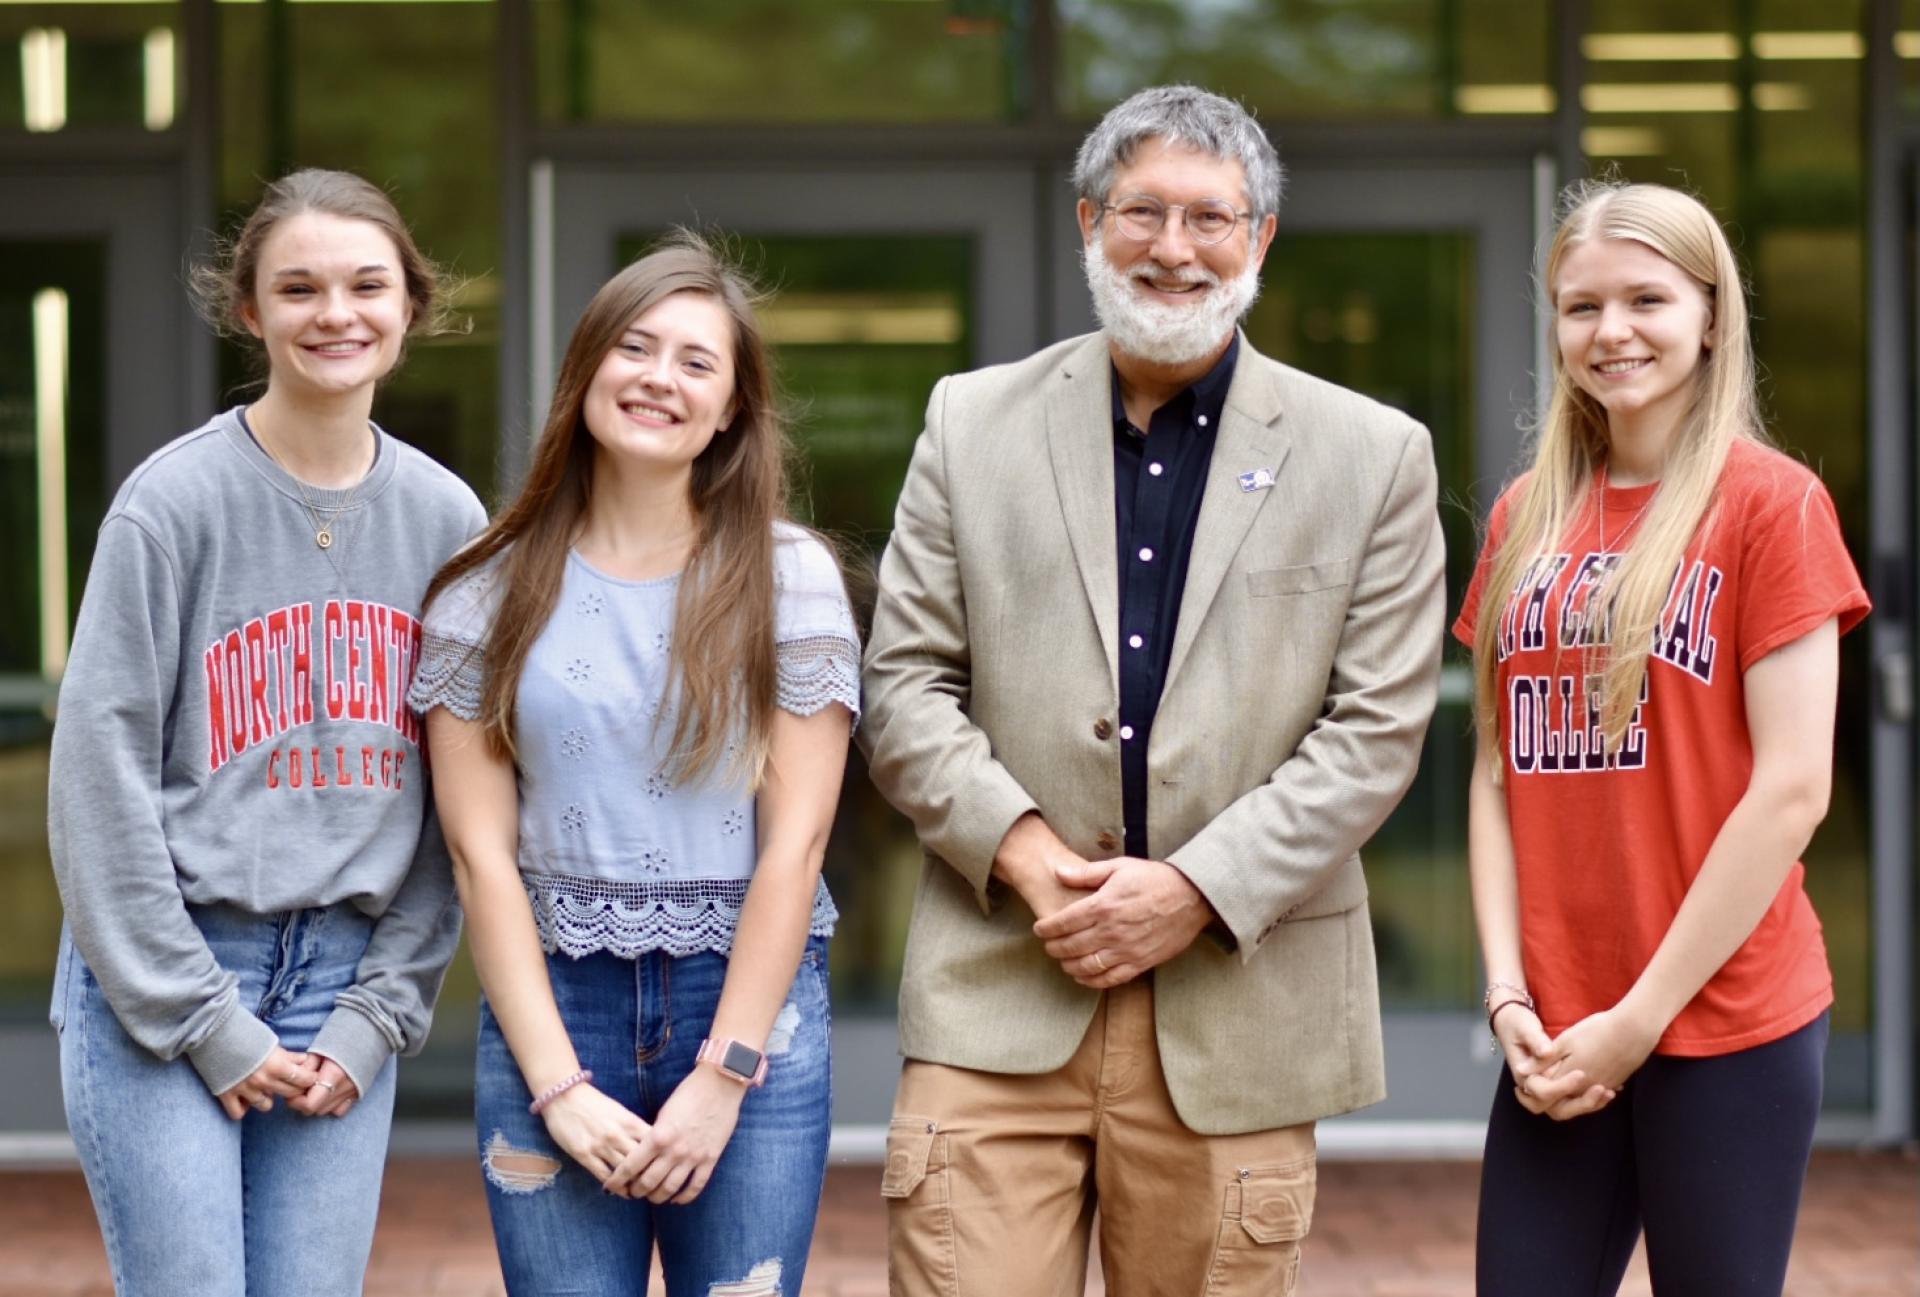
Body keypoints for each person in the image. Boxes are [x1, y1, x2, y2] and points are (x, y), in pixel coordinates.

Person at [861, 84, 1445, 1295]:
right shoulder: (969, 424)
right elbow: (906, 684)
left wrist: (1190, 891)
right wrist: (1026, 857)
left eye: (1210, 219)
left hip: (1242, 1009)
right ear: (1089, 222)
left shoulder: (1373, 454)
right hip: (1000, 987)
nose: (1173, 248)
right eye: (1142, 212)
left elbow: (1377, 731)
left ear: (1261, 238)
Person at [46, 168, 488, 1295]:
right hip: (171, 977)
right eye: (299, 287)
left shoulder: (449, 522)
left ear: (409, 305)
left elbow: (458, 800)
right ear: (251, 311)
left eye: (366, 285)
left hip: (341, 985)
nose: (335, 312)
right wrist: (203, 1017)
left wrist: (377, 1016)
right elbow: (99, 773)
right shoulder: (173, 504)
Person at [410, 232, 859, 1297]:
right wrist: (555, 1086)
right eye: (635, 347)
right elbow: (480, 858)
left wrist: (725, 1074)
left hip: (748, 1011)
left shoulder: (789, 578)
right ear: (587, 371)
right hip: (551, 1009)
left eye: (697, 362)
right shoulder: (482, 591)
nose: (660, 378)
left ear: (734, 409)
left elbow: (794, 849)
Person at [1457, 180, 1871, 1295]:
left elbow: (1793, 791)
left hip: (1722, 1017)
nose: (1613, 331)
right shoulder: (1525, 515)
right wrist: (1508, 995)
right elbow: (1496, 773)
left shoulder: (1771, 507)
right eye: (1582, 306)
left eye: (1647, 298)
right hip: (1557, 1028)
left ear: (1710, 315)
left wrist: (1637, 1022)